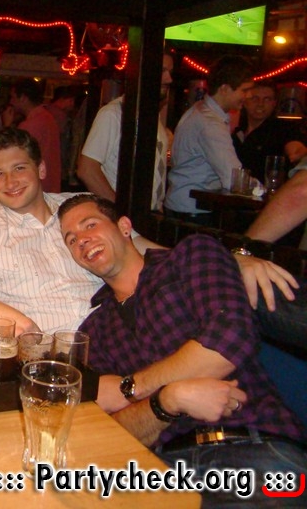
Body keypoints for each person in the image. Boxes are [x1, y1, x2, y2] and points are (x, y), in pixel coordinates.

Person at [58, 194, 306, 507]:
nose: (82, 240)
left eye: (90, 225)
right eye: (71, 240)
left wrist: (131, 388)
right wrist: (169, 400)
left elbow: (229, 340)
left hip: (250, 445)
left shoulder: (189, 257)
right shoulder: (94, 330)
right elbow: (112, 430)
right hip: (161, 469)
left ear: (124, 227)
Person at [0, 127, 297, 336]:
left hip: (124, 336)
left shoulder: (80, 207)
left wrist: (231, 262)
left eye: (19, 168)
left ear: (41, 168)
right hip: (43, 355)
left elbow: (147, 250)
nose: (10, 181)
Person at [164, 55, 255, 224]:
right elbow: (234, 179)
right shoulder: (210, 123)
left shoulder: (199, 110)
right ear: (224, 88)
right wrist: (265, 192)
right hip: (194, 211)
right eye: (244, 90)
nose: (249, 96)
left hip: (182, 206)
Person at [78, 53, 174, 210]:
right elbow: (87, 170)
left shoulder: (151, 115)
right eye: (162, 71)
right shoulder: (113, 114)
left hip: (147, 215)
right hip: (126, 216)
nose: (169, 79)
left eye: (170, 72)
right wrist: (120, 210)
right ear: (141, 72)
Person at [232, 80, 307, 183]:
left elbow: (295, 147)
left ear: (274, 103)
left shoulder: (282, 129)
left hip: (269, 191)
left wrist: (298, 153)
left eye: (267, 99)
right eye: (255, 98)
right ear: (245, 102)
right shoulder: (237, 133)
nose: (260, 104)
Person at [10, 78, 62, 192]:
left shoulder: (30, 124)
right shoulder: (47, 117)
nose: (11, 102)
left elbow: (11, 156)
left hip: (36, 188)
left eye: (13, 97)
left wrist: (7, 126)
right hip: (50, 184)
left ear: (23, 98)